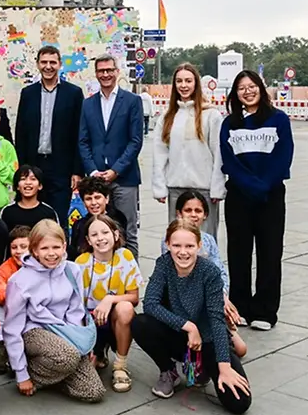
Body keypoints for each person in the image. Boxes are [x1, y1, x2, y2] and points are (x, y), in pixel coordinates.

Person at [131, 219, 252, 415]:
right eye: (176, 245)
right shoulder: (164, 264)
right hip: (179, 335)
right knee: (140, 322)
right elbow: (150, 304)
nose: (183, 252)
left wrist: (225, 366)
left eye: (189, 246)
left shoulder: (210, 272)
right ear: (168, 244)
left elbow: (215, 319)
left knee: (239, 402)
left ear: (199, 245)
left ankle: (203, 366)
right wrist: (188, 326)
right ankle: (169, 370)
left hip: (208, 339)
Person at [221, 70, 294, 332]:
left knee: (270, 252)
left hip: (270, 196)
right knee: (238, 253)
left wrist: (263, 186)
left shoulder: (278, 120)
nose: (247, 92)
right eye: (241, 88)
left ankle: (265, 310)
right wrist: (250, 185)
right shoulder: (230, 123)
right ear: (235, 94)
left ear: (261, 89)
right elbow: (228, 160)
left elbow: (283, 157)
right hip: (239, 195)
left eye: (252, 86)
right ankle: (239, 306)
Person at [2, 220, 105, 402]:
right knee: (66, 356)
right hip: (34, 331)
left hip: (64, 332)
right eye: (44, 248)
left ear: (64, 246)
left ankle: (57, 373)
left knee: (93, 391)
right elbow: (12, 329)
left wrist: (78, 342)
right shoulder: (20, 281)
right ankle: (30, 370)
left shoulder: (72, 270)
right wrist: (21, 374)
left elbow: (76, 311)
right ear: (34, 250)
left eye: (56, 247)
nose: (51, 254)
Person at [161, 190, 247, 358]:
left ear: (205, 215)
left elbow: (219, 270)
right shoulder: (171, 239)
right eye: (188, 210)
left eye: (198, 211)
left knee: (241, 349)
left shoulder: (208, 240)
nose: (193, 215)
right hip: (184, 299)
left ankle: (224, 326)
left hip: (212, 297)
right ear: (179, 213)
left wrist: (223, 297)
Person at [78, 54, 144, 256]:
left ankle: (131, 282)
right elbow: (83, 140)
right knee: (98, 231)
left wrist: (116, 169)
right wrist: (92, 170)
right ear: (96, 74)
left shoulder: (132, 101)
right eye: (101, 71)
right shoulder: (88, 104)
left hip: (125, 178)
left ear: (117, 72)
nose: (105, 74)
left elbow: (135, 141)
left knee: (127, 232)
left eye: (109, 70)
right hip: (97, 179)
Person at [151, 63, 225, 238]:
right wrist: (159, 186)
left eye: (188, 81)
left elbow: (218, 152)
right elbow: (160, 152)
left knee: (205, 240)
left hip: (204, 188)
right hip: (176, 188)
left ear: (196, 84)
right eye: (179, 81)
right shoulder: (168, 116)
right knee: (178, 239)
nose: (183, 85)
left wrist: (217, 187)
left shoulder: (211, 115)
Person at [14, 46, 84, 230]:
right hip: (33, 166)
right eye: (44, 62)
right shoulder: (28, 94)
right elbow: (20, 132)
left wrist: (77, 171)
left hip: (61, 167)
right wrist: (22, 168)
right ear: (37, 64)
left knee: (58, 219)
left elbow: (79, 134)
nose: (48, 66)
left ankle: (58, 255)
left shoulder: (73, 93)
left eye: (53, 62)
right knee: (32, 219)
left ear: (60, 65)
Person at [74, 214, 142, 392]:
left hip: (114, 319)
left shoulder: (125, 257)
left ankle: (120, 366)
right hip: (90, 321)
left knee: (125, 308)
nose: (101, 238)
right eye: (94, 235)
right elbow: (74, 304)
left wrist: (109, 299)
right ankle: (98, 351)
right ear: (88, 240)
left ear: (116, 235)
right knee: (86, 377)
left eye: (105, 232)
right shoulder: (81, 263)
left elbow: (134, 297)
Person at [0, 225, 31, 374]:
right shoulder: (6, 268)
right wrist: (14, 297)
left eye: (24, 247)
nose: (19, 251)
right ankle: (1, 345)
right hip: (11, 308)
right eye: (14, 247)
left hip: (31, 312)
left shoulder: (38, 265)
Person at [67, 175, 128, 262]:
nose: (93, 203)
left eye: (97, 197)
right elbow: (74, 253)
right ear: (84, 203)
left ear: (106, 199)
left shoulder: (118, 218)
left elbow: (122, 247)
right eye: (88, 199)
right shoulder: (79, 225)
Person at [0, 165, 59, 231]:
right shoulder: (7, 211)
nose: (28, 183)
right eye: (23, 179)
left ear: (40, 186)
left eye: (33, 179)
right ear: (17, 186)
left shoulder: (49, 212)